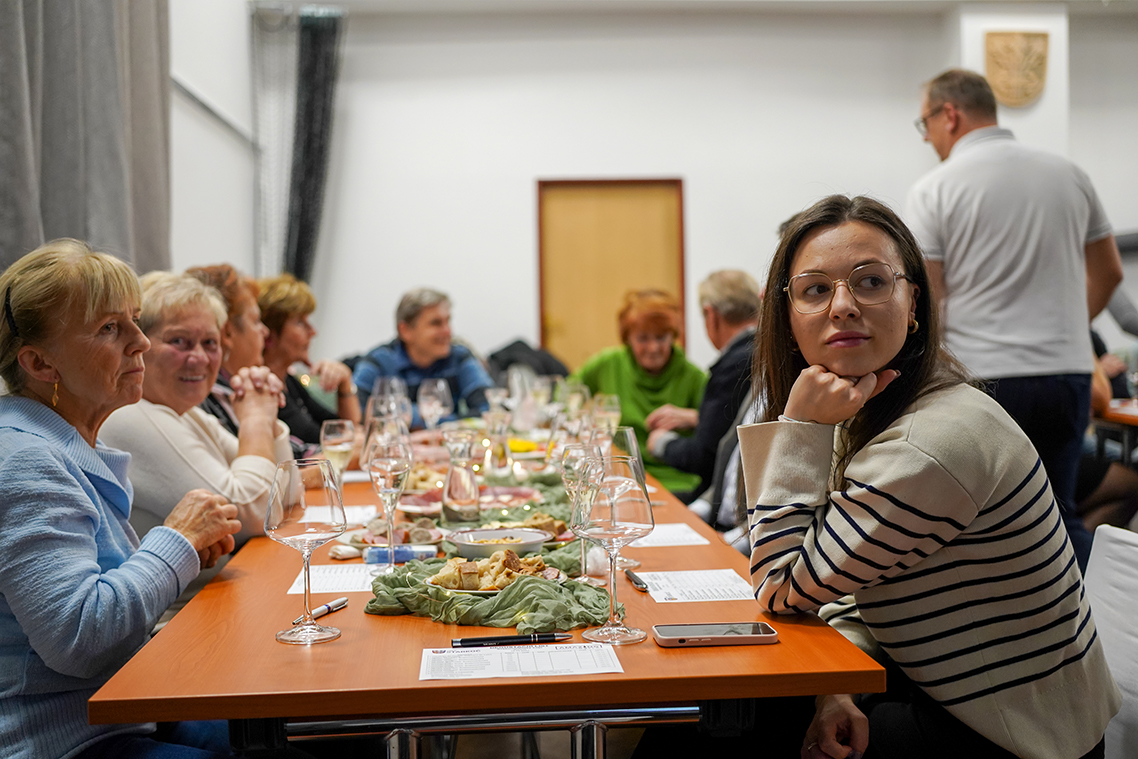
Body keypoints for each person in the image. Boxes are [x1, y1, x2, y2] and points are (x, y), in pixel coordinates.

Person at [741, 195, 1119, 759]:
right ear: (789, 317)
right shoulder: (874, 405)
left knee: (729, 728)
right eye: (815, 290)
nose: (842, 306)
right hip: (945, 687)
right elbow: (856, 584)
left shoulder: (927, 444)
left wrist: (799, 427)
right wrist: (836, 691)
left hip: (1013, 734)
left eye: (871, 282)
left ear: (912, 301)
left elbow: (778, 585)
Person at [0, 240, 242, 758]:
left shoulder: (66, 443)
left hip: (124, 710)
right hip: (64, 739)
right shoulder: (24, 459)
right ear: (40, 362)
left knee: (289, 727)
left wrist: (179, 555)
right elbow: (79, 639)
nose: (141, 342)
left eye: (134, 319)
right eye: (111, 328)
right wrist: (175, 544)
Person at [905, 68, 1124, 571]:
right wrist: (1067, 328)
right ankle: (1096, 609)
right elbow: (1110, 272)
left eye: (925, 124)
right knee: (1059, 514)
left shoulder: (935, 188)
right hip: (1066, 373)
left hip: (985, 378)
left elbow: (928, 299)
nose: (928, 138)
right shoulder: (1069, 174)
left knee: (985, 527)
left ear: (949, 115)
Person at [100, 272, 292, 616]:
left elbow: (288, 495)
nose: (200, 358)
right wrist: (255, 418)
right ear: (140, 344)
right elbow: (254, 511)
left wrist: (264, 416)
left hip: (218, 605)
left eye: (210, 343)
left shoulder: (186, 414)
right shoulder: (129, 415)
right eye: (180, 341)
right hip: (174, 624)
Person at [571, 290, 707, 495]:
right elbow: (568, 392)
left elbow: (721, 431)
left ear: (673, 336)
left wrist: (693, 418)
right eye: (643, 338)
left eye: (661, 338)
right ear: (627, 338)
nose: (653, 348)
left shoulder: (693, 376)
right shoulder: (609, 363)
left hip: (678, 481)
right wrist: (581, 422)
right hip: (621, 475)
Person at [645, 270, 759, 498]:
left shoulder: (734, 365)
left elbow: (707, 458)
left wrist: (661, 443)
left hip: (724, 501)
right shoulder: (767, 350)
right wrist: (696, 419)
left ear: (711, 314)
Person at [351, 287, 494, 429]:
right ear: (405, 331)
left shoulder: (460, 356)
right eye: (436, 323)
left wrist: (409, 416)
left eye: (448, 321)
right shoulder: (378, 361)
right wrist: (424, 415)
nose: (448, 331)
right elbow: (354, 415)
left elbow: (489, 409)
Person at [258, 273, 361, 448]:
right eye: (300, 322)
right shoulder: (263, 389)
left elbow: (345, 426)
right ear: (270, 333)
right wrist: (355, 439)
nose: (313, 332)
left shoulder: (288, 382)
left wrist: (345, 382)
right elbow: (324, 442)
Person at [185, 264, 270, 438]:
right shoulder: (208, 395)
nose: (265, 331)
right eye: (256, 321)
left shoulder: (237, 385)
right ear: (227, 332)